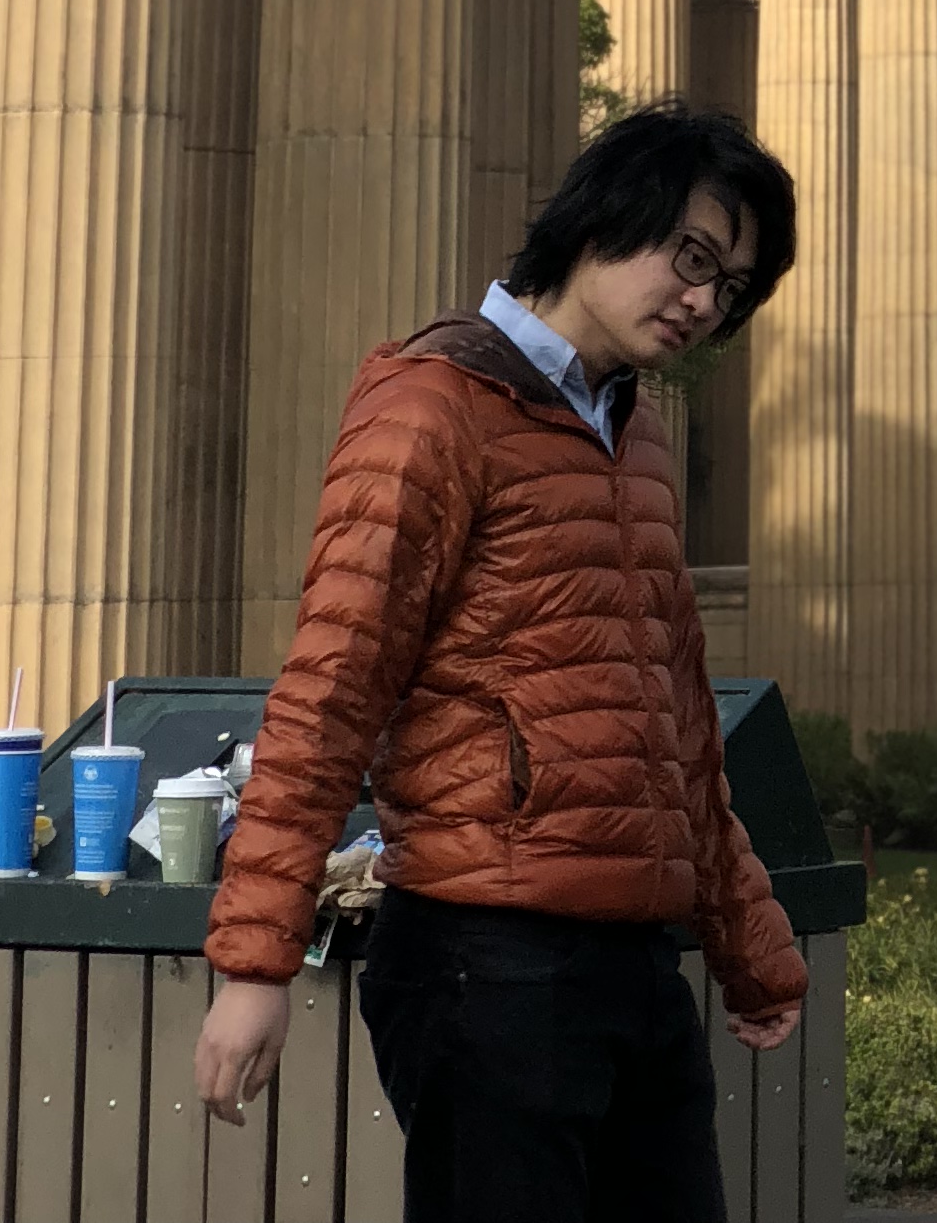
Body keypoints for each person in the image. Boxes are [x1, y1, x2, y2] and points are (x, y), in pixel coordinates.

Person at [194, 101, 809, 1222]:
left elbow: (675, 720)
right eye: (692, 258)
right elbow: (333, 687)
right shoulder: (434, 405)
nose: (704, 302)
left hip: (633, 962)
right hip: (487, 961)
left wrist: (750, 945)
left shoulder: (635, 436)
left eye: (730, 288)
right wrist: (253, 964)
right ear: (602, 217)